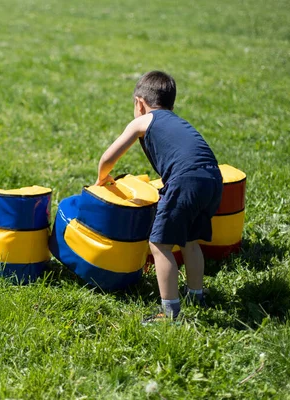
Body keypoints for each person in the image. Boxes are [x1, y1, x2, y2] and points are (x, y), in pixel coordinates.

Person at [95, 70, 223, 322]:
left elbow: (109, 156)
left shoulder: (142, 121)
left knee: (158, 244)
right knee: (190, 240)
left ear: (139, 103)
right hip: (213, 179)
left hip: (185, 181)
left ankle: (170, 313)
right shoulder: (178, 121)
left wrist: (101, 178)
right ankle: (196, 295)